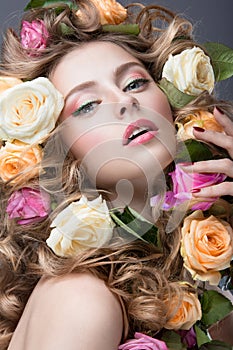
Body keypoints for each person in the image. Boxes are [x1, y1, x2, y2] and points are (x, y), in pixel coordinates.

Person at [0, 0, 233, 349]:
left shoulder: (192, 284)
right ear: (56, 152)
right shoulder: (81, 299)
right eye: (88, 105)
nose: (124, 103)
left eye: (135, 83)